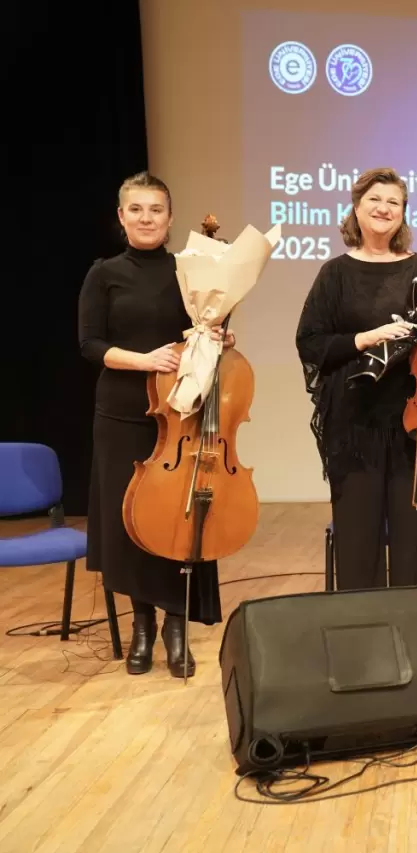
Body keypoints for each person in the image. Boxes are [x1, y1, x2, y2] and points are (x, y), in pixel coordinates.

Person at [78, 171, 232, 677]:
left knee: (178, 518)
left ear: (170, 218)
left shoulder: (191, 272)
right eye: (137, 209)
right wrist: (144, 360)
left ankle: (176, 626)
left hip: (180, 414)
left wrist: (216, 341)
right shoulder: (104, 273)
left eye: (157, 210)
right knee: (131, 522)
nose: (147, 218)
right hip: (121, 413)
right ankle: (142, 627)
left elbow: (203, 333)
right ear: (121, 217)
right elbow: (91, 346)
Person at [296, 167, 417, 591]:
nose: (384, 208)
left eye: (394, 202)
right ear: (357, 208)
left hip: (413, 423)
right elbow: (310, 343)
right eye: (375, 200)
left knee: (414, 543)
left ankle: (412, 639)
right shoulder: (335, 274)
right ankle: (363, 643)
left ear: (403, 214)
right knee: (358, 542)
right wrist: (364, 339)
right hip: (353, 425)